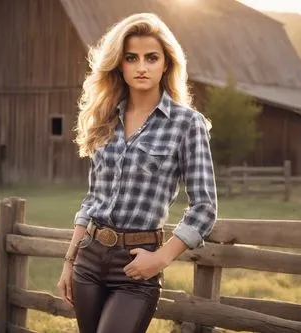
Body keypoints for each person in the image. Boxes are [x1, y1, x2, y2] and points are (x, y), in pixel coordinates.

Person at [56, 12, 217, 333]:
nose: (141, 66)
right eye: (132, 58)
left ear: (166, 64)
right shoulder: (106, 120)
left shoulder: (187, 124)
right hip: (88, 259)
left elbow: (204, 208)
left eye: (151, 58)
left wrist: (160, 259)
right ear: (120, 64)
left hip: (136, 265)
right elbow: (92, 201)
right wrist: (69, 262)